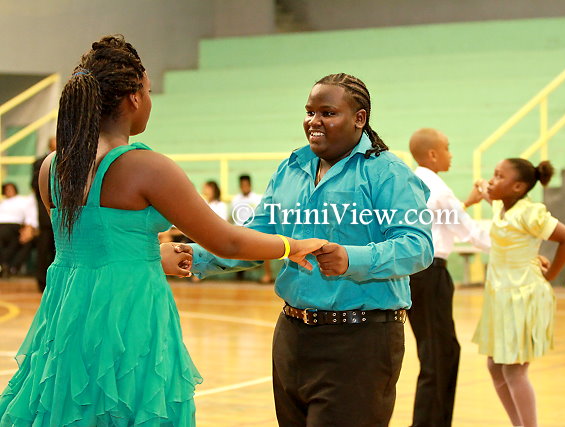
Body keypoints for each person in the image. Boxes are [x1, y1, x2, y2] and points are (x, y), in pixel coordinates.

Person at [0, 35, 326, 426]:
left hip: (66, 312)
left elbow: (90, 244)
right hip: (128, 312)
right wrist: (291, 245)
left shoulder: (52, 167)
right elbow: (226, 240)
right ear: (134, 98)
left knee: (68, 409)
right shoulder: (145, 167)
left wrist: (150, 254)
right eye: (149, 91)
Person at [186, 73, 434, 426]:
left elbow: (417, 245)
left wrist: (351, 258)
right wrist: (192, 257)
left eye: (328, 113)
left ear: (359, 118)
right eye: (309, 112)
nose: (314, 121)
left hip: (360, 341)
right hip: (292, 337)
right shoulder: (291, 168)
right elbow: (254, 239)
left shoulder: (387, 172)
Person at [470, 158, 565, 427]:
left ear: (518, 187)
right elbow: (487, 192)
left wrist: (551, 275)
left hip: (523, 296)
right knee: (495, 366)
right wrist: (481, 188)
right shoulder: (502, 206)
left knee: (513, 370)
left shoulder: (530, 213)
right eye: (493, 174)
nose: (492, 180)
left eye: (499, 176)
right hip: (500, 297)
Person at [407, 128, 491, 427]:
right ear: (432, 154)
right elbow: (473, 234)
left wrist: (466, 204)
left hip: (414, 276)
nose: (451, 154)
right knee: (439, 354)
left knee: (438, 351)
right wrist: (518, 245)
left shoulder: (411, 183)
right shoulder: (439, 190)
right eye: (447, 148)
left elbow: (438, 222)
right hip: (431, 275)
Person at [231, 174, 273, 283]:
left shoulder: (257, 198)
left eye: (246, 185)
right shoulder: (235, 199)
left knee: (267, 244)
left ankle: (267, 274)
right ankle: (239, 272)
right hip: (239, 229)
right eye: (242, 185)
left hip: (254, 229)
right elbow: (233, 217)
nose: (244, 187)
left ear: (250, 185)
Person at [31, 136, 57, 291]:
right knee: (43, 248)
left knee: (58, 249)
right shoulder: (40, 162)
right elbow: (35, 185)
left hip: (61, 212)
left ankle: (55, 282)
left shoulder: (68, 158)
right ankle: (41, 282)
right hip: (45, 213)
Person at [0, 183, 38, 278]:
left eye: (11, 188)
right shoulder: (2, 202)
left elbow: (30, 215)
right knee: (12, 243)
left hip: (15, 226)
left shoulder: (23, 200)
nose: (9, 191)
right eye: (7, 189)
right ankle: (7, 266)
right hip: (2, 226)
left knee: (21, 242)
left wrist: (29, 228)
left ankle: (7, 266)